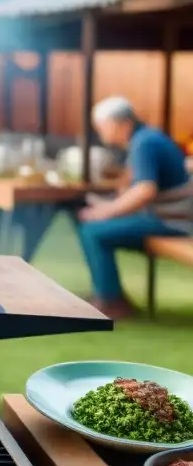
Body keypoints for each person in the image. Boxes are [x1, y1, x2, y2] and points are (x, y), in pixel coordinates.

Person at [77, 96, 193, 318]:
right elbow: (135, 187)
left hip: (173, 221)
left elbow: (145, 190)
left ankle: (112, 301)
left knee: (93, 231)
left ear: (123, 123)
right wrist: (107, 206)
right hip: (168, 216)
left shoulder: (144, 143)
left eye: (102, 127)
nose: (101, 133)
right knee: (91, 225)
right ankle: (105, 294)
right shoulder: (146, 138)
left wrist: (105, 211)